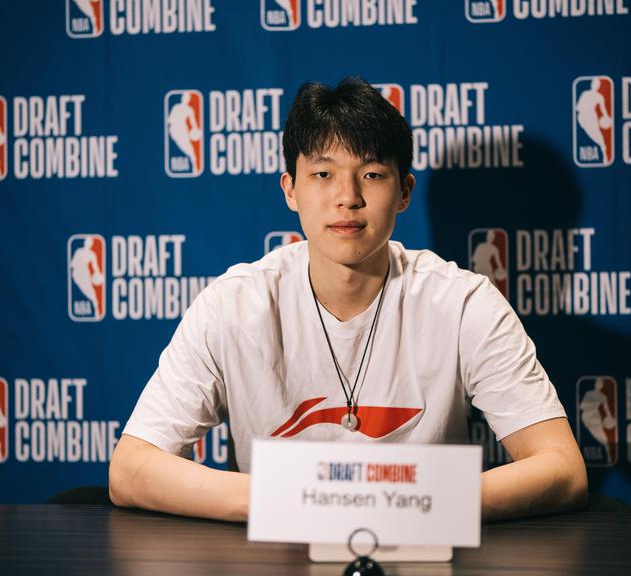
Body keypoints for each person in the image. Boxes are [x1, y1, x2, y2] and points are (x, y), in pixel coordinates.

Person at [109, 77, 588, 522]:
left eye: (372, 174)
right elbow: (131, 469)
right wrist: (297, 499)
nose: (347, 197)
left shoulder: (463, 303)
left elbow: (562, 469)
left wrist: (404, 504)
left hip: (423, 558)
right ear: (290, 190)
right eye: (322, 173)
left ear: (404, 192)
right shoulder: (233, 306)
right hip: (272, 564)